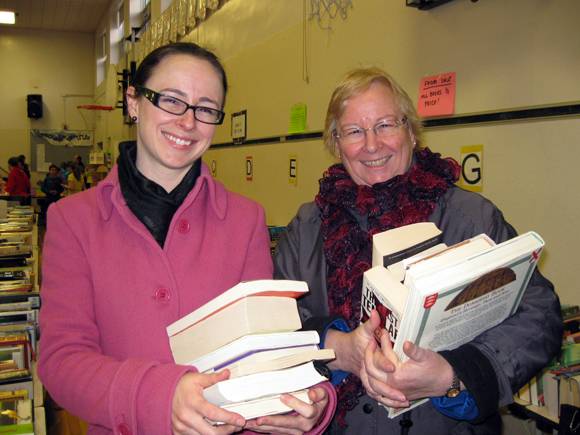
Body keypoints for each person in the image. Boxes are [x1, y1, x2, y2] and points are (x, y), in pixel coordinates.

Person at [37, 42, 335, 435]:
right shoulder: (73, 220)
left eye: (206, 109)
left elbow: (265, 343)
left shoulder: (246, 219)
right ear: (133, 102)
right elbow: (62, 361)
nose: (188, 122)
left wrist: (311, 400)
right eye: (171, 100)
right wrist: (159, 396)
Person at [273, 66, 563, 434]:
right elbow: (275, 323)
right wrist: (334, 346)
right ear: (335, 142)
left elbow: (539, 315)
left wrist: (453, 374)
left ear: (410, 130)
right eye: (354, 131)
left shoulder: (471, 218)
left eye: (385, 125)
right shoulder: (307, 228)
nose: (372, 144)